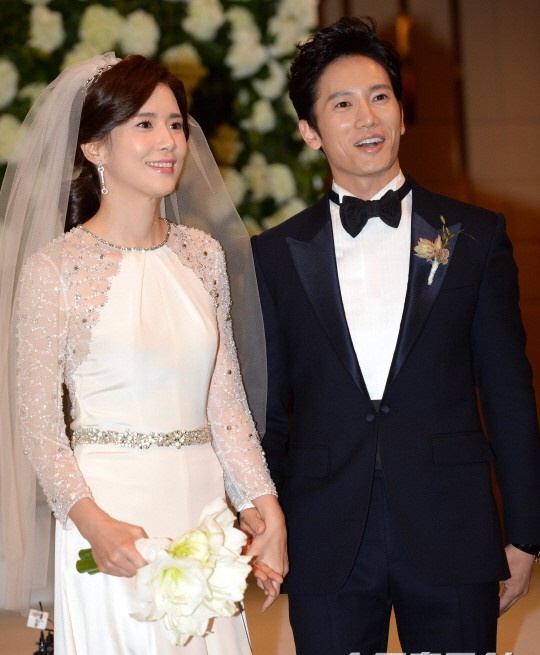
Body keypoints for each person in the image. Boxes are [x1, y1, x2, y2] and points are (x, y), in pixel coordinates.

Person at [242, 16, 540, 655]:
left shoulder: (475, 236)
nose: (367, 117)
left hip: (453, 527)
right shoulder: (274, 254)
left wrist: (525, 533)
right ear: (310, 131)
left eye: (380, 97)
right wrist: (262, 523)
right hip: (324, 533)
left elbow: (509, 392)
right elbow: (268, 411)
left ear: (402, 114)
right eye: (342, 105)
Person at [0, 53, 287, 653]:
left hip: (202, 513)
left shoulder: (203, 255)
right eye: (145, 124)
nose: (169, 142)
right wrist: (91, 523)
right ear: (94, 148)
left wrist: (264, 504)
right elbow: (39, 426)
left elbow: (225, 405)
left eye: (175, 124)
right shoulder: (55, 269)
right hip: (110, 520)